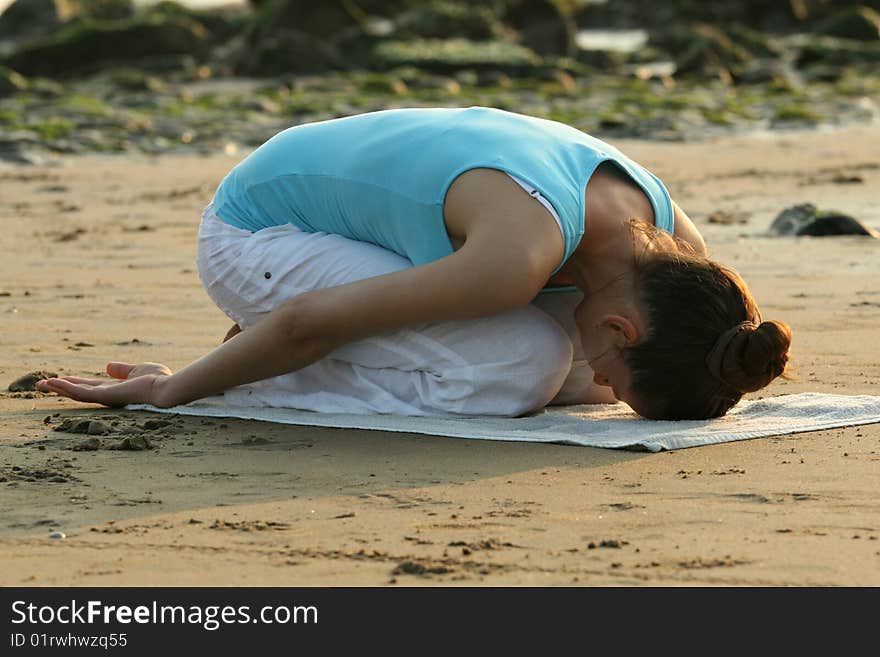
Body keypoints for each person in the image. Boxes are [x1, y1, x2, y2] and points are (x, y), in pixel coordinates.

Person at [36, 106, 791, 420]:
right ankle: (254, 368)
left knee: (562, 375)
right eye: (617, 372)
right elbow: (308, 322)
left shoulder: (675, 254)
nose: (606, 385)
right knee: (526, 368)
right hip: (258, 232)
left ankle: (269, 354)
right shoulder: (515, 254)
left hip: (385, 234)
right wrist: (173, 390)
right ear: (623, 326)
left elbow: (656, 350)